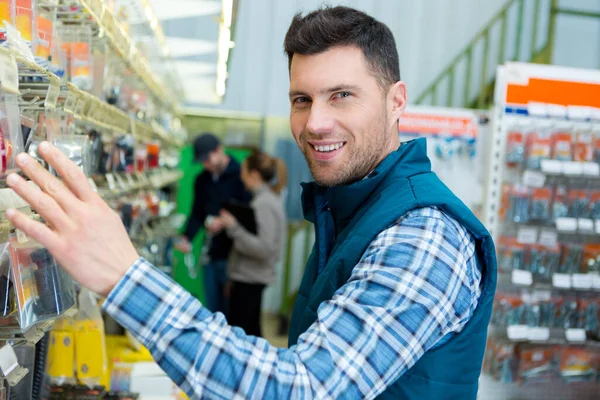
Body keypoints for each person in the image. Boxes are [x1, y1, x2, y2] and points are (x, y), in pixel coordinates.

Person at [4, 6, 496, 400]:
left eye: (342, 95)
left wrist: (123, 275)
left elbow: (303, 388)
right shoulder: (349, 208)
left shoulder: (425, 233)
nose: (316, 122)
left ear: (396, 101)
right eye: (301, 99)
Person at [208, 150, 287, 337]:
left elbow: (264, 249)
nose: (241, 178)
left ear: (254, 175)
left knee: (242, 336)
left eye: (243, 172)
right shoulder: (264, 200)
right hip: (249, 278)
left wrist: (233, 227)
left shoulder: (264, 204)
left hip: (250, 280)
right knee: (251, 333)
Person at [175, 133, 251, 314]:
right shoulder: (202, 180)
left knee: (232, 312)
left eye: (207, 159)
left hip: (235, 257)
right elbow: (196, 213)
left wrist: (225, 223)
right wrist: (187, 237)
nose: (205, 165)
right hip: (210, 253)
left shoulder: (242, 176)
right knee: (212, 310)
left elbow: (250, 215)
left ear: (219, 150)